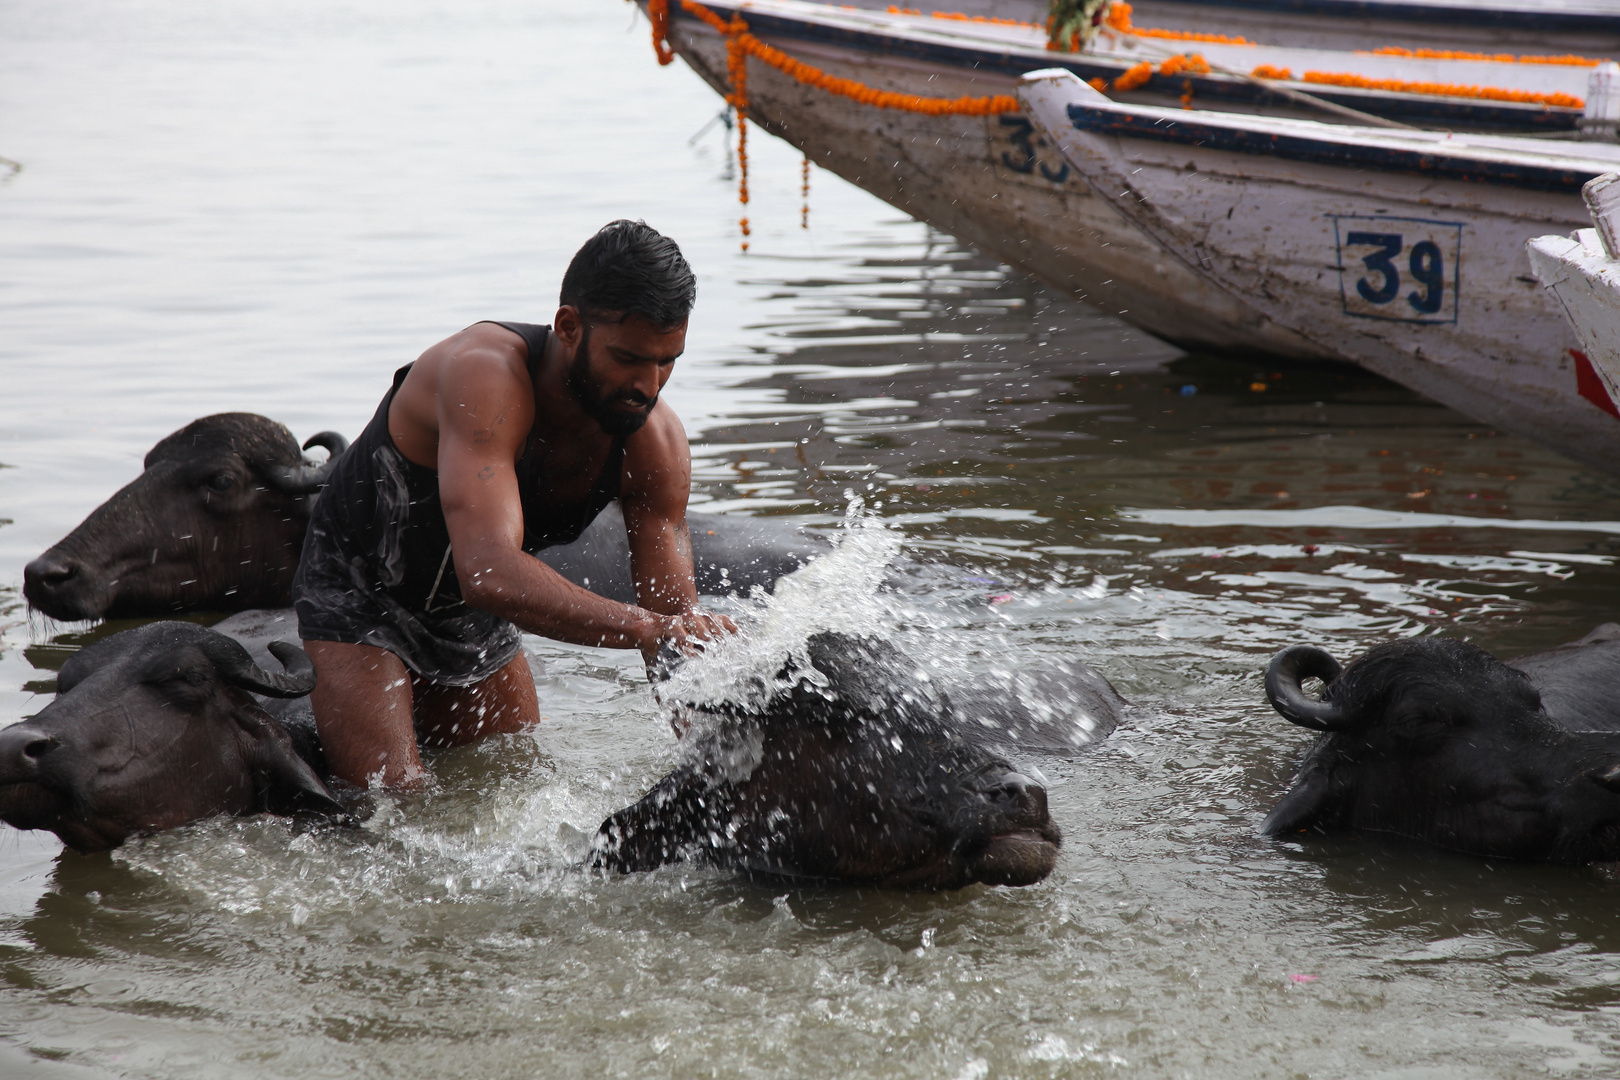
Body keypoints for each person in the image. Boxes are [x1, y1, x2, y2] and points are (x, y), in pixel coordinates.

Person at [292, 221, 734, 789]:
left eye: (667, 361)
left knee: (514, 784)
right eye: (628, 358)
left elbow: (677, 629)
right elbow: (489, 571)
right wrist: (649, 629)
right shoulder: (484, 375)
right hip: (358, 589)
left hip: (469, 613)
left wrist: (714, 760)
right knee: (396, 804)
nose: (648, 386)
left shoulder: (656, 445)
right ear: (569, 327)